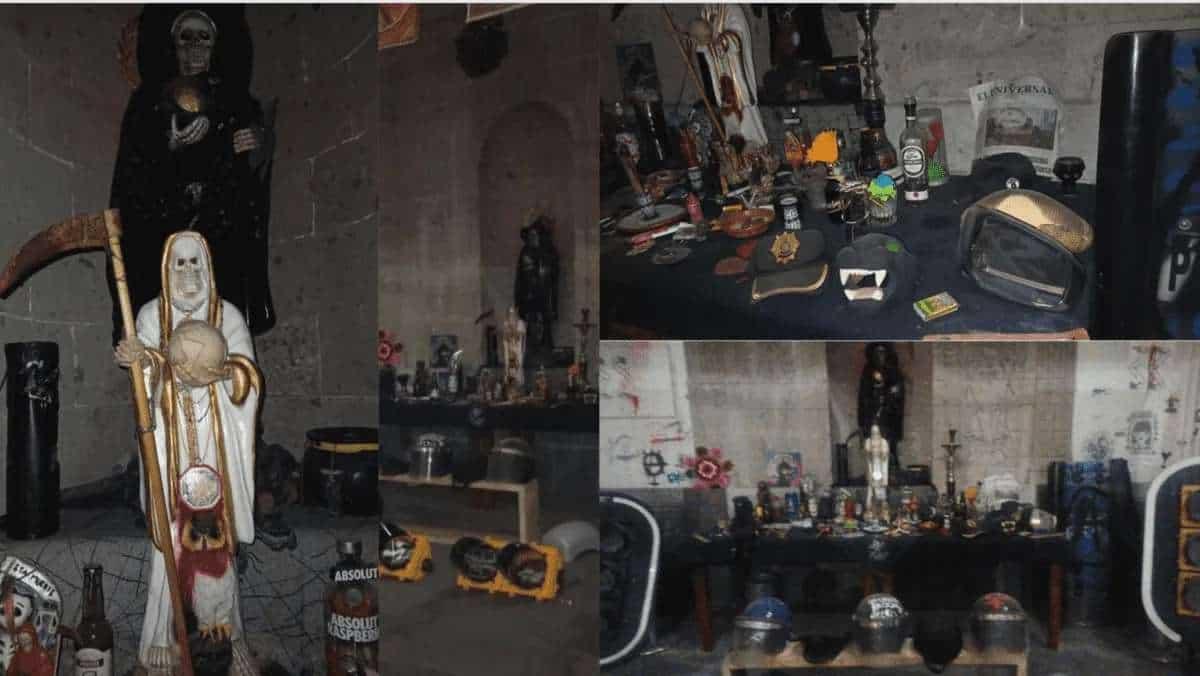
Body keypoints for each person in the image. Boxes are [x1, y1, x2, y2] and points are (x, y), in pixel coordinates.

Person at [115, 232, 260, 675]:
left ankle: (227, 636)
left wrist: (218, 371)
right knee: (170, 537)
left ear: (208, 266)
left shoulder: (227, 315)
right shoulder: (149, 315)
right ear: (165, 269)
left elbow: (248, 377)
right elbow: (145, 380)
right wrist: (142, 360)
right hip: (170, 443)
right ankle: (162, 635)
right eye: (179, 264)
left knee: (216, 538)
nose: (188, 271)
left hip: (216, 444)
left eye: (195, 262)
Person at [109, 6, 275, 347]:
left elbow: (251, 182)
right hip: (161, 230)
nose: (195, 47)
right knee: (163, 321)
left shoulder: (238, 102)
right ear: (172, 45)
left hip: (220, 231)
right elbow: (131, 177)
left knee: (219, 324)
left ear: (217, 45)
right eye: (186, 38)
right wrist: (168, 146)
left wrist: (256, 145)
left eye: (204, 38)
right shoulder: (146, 103)